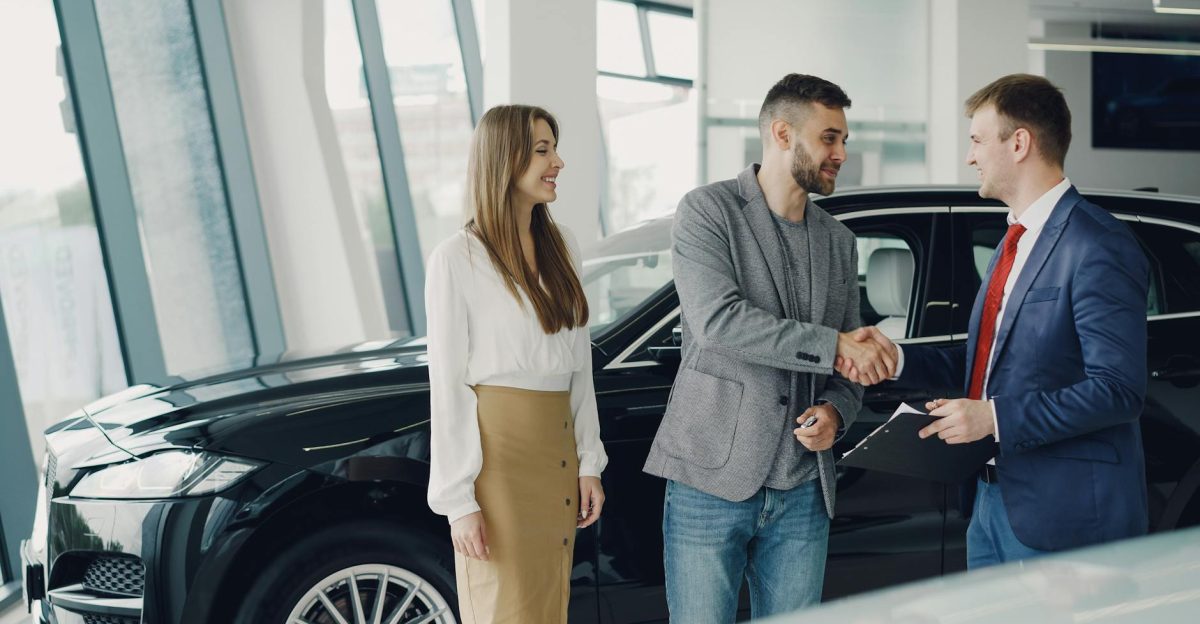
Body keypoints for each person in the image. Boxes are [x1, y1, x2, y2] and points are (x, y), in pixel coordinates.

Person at [842, 74, 1150, 567]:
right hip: (988, 503)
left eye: (978, 140)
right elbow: (983, 367)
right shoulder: (1011, 243)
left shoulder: (1097, 244)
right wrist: (896, 360)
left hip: (1060, 517)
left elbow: (1117, 390)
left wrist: (994, 418)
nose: (971, 156)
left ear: (1020, 142)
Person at [643, 73, 895, 623]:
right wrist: (832, 346)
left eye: (844, 140)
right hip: (711, 476)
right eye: (830, 138)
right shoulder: (708, 212)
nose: (841, 153)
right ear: (783, 133)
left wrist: (836, 411)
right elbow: (719, 323)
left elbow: (847, 363)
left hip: (803, 486)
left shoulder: (838, 240)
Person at [425, 104, 608, 623]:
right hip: (497, 464)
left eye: (555, 148)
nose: (559, 162)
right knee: (505, 607)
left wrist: (588, 462)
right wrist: (458, 501)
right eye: (543, 150)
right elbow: (448, 385)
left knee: (550, 606)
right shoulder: (456, 258)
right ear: (504, 159)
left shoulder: (562, 245)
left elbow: (578, 368)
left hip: (557, 455)